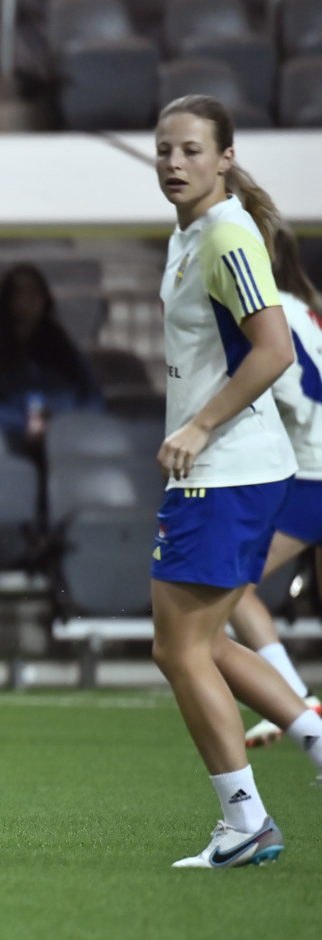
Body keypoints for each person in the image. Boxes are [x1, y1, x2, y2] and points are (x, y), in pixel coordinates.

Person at [149, 95, 322, 868]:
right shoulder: (193, 232)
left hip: (225, 472)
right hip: (225, 473)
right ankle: (313, 738)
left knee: (179, 648)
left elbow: (275, 349)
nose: (175, 163)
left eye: (191, 150)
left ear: (225, 159)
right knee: (201, 641)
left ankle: (245, 820)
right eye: (164, 151)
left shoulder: (224, 234)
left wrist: (199, 425)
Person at [232, 227, 322, 746]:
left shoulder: (264, 315)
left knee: (232, 587)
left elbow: (274, 378)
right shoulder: (306, 309)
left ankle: (293, 700)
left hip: (311, 476)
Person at [0, 263, 102, 452]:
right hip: (5, 443)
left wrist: (74, 422)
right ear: (6, 299)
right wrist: (23, 426)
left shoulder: (61, 345)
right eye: (21, 292)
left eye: (36, 292)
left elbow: (90, 394)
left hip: (67, 441)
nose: (30, 300)